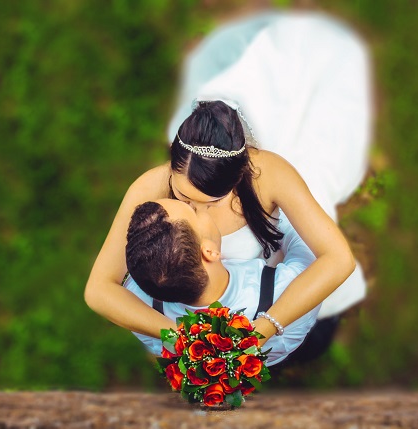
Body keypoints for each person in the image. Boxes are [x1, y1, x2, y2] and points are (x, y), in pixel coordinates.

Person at [84, 11, 371, 346]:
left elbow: (338, 259)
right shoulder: (150, 187)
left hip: (274, 303)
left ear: (238, 178)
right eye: (182, 196)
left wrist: (261, 330)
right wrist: (182, 334)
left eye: (211, 202)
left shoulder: (269, 174)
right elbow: (99, 289)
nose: (196, 211)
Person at [123, 199, 320, 366]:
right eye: (193, 210)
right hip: (285, 355)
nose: (197, 203)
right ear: (209, 251)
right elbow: (305, 240)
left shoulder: (135, 302)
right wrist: (264, 208)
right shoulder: (289, 289)